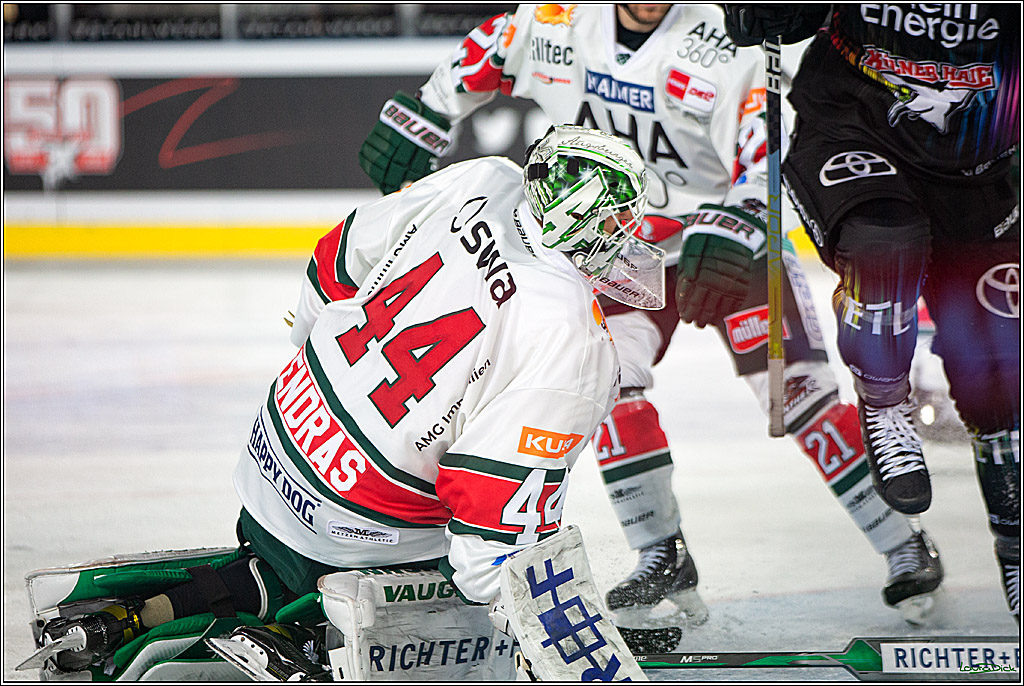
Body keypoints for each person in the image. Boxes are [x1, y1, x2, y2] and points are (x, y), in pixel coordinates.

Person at [358, 3, 944, 645]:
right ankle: (661, 551)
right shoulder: (556, 17)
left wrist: (744, 220)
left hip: (724, 245)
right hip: (613, 249)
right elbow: (488, 51)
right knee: (605, 385)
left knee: (800, 397)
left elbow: (770, 145)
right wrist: (429, 110)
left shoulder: (729, 39)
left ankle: (904, 544)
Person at [34, 124, 661, 677]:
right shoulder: (573, 337)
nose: (626, 239)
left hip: (276, 439)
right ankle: (299, 643)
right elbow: (493, 525)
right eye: (616, 223)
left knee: (286, 566)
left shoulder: (485, 180)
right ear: (588, 223)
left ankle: (160, 615)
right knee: (473, 594)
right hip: (357, 524)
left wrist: (322, 363)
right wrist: (533, 634)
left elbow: (338, 255)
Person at [723, 4, 1020, 622]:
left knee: (999, 375)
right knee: (885, 245)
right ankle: (885, 400)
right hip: (854, 128)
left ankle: (1017, 552)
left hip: (987, 161)